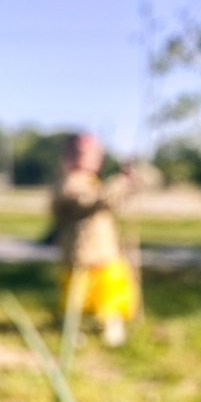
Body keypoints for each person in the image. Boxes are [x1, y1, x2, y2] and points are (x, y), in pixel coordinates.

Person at [51, 132, 138, 346]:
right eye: (85, 154)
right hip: (80, 252)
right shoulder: (69, 183)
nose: (92, 159)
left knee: (110, 288)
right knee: (77, 294)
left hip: (105, 250)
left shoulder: (93, 181)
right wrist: (119, 184)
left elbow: (108, 201)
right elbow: (91, 201)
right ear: (69, 157)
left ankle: (110, 323)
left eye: (96, 154)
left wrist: (128, 185)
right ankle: (71, 327)